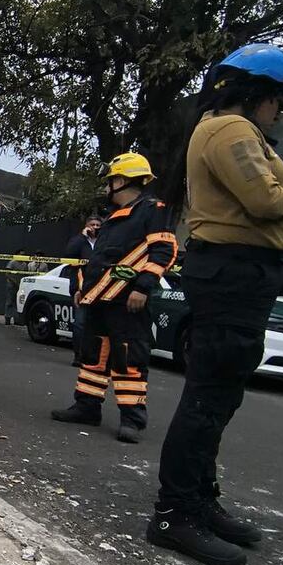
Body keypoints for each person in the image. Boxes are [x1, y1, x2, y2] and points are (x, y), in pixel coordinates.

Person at [148, 43, 283, 565]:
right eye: (278, 101)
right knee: (208, 399)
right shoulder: (230, 129)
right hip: (231, 272)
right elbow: (266, 199)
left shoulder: (239, 130)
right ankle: (175, 512)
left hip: (243, 273)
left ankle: (200, 500)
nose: (279, 112)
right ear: (258, 93)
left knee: (221, 396)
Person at [51, 152, 177, 443]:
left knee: (129, 359)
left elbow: (163, 252)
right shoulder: (112, 218)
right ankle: (86, 407)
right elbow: (100, 260)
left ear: (121, 180)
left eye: (110, 182)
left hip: (126, 300)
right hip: (99, 299)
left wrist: (142, 287)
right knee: (93, 358)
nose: (107, 188)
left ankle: (132, 419)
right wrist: (84, 288)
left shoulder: (152, 210)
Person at [66, 216, 102, 366]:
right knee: (80, 323)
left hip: (101, 289)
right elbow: (69, 254)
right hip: (82, 289)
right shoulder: (80, 241)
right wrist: (82, 236)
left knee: (97, 325)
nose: (95, 227)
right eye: (92, 224)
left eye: (98, 225)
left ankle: (94, 356)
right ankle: (78, 356)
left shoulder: (104, 241)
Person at [4, 249, 28, 325]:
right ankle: (7, 319)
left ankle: (16, 320)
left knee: (18, 303)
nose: (23, 256)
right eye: (21, 254)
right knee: (9, 302)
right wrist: (14, 281)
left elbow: (26, 275)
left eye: (24, 255)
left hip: (20, 286)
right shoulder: (12, 262)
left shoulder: (25, 264)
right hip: (11, 285)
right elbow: (7, 273)